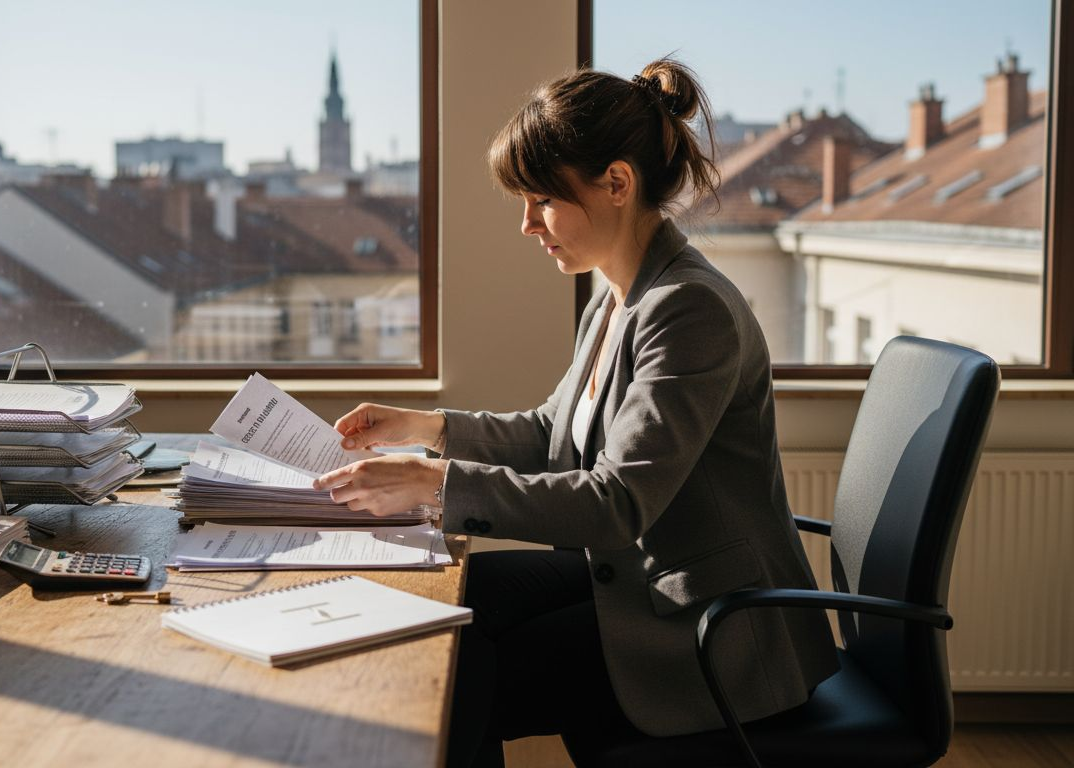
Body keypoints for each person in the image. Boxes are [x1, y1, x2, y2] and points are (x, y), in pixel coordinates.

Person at [312, 59, 839, 766]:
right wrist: (424, 429)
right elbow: (550, 435)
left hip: (711, 628)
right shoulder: (616, 296)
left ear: (617, 184)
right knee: (445, 614)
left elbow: (617, 505)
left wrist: (433, 487)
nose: (527, 225)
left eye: (541, 201)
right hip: (647, 579)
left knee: (459, 669)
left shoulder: (690, 311)